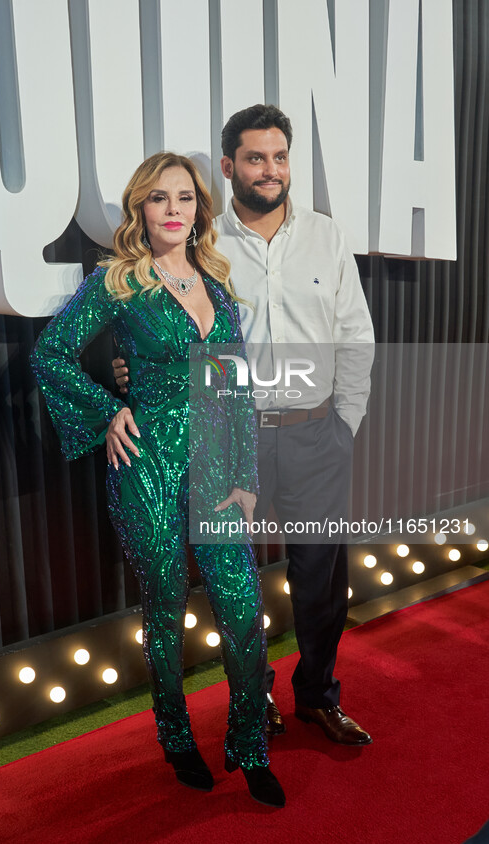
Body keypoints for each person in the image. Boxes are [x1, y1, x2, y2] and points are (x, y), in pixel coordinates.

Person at [31, 152, 285, 807]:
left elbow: (233, 389)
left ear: (199, 209)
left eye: (184, 198)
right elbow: (51, 354)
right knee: (165, 608)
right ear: (139, 212)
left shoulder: (217, 284)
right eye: (158, 199)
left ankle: (249, 744)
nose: (173, 209)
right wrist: (105, 409)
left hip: (219, 471)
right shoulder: (116, 283)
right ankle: (175, 739)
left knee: (239, 608)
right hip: (148, 465)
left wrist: (246, 477)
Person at [115, 105, 375, 746]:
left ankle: (317, 695)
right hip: (228, 440)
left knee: (320, 579)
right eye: (255, 158)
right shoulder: (199, 241)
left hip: (317, 436)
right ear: (228, 167)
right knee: (235, 583)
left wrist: (344, 423)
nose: (271, 169)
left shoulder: (327, 235)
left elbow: (354, 336)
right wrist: (131, 372)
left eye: (280, 156)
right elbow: (154, 330)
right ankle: (255, 699)